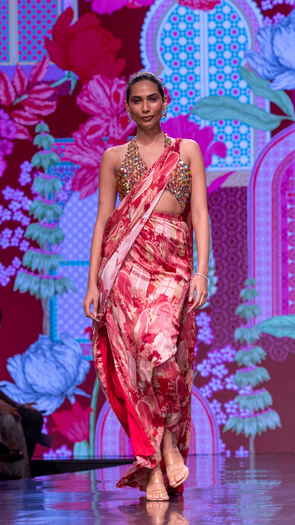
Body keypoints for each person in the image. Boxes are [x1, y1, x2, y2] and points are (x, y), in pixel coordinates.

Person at [83, 71, 209, 501]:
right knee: (134, 367)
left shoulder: (186, 150)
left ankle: (165, 447)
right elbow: (103, 220)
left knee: (163, 355)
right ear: (128, 107)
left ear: (164, 101)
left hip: (173, 265)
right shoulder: (114, 157)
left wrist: (201, 272)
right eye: (136, 101)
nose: (145, 107)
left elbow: (199, 214)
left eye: (152, 99)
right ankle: (157, 460)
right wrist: (92, 283)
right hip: (125, 267)